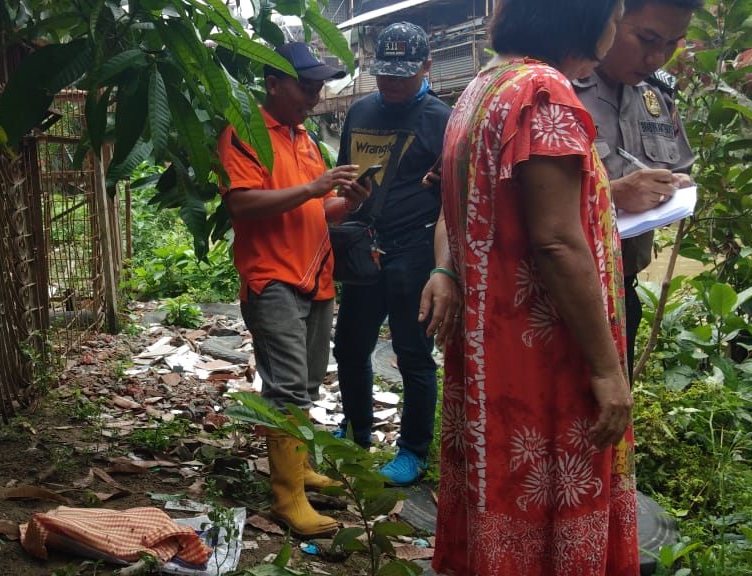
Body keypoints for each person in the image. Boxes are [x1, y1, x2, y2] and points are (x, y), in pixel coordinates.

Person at [432, 0, 638, 573]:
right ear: (583, 21)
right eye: (616, 15)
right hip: (540, 355)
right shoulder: (543, 92)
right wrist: (606, 370)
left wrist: (445, 269)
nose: (616, 27)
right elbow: (556, 239)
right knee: (549, 491)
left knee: (498, 486)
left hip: (490, 352)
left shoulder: (482, 88)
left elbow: (468, 207)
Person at [216, 42, 368, 538]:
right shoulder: (246, 134)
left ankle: (299, 470)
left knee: (305, 384)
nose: (315, 95)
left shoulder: (304, 140)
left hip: (314, 276)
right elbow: (242, 205)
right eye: (306, 86)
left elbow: (310, 211)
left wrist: (345, 202)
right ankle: (288, 498)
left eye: (318, 86)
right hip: (273, 277)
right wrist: (313, 187)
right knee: (284, 389)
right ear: (273, 84)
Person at [330, 22, 456, 486]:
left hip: (416, 250)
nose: (392, 83)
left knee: (413, 354)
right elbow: (345, 174)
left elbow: (453, 195)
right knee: (349, 346)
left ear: (426, 67)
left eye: (403, 75)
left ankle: (412, 451)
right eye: (385, 74)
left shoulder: (442, 120)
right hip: (365, 247)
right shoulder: (360, 110)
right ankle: (357, 432)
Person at [573, 0, 699, 381]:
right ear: (611, 18)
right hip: (560, 293)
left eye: (672, 44)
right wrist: (610, 194)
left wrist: (675, 185)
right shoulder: (557, 89)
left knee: (613, 415)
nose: (656, 57)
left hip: (622, 288)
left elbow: (681, 167)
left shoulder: (656, 98)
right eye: (647, 38)